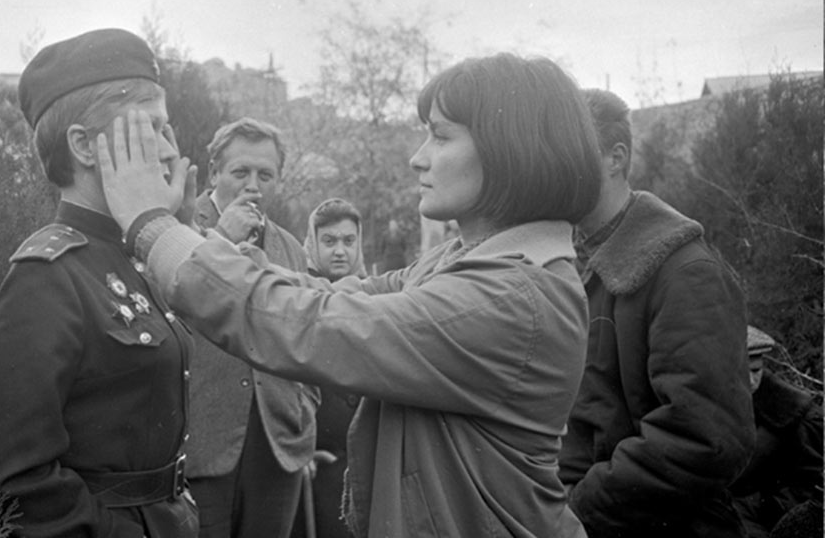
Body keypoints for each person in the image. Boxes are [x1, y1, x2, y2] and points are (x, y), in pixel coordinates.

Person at [99, 53, 605, 537]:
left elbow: (316, 325)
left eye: (439, 136)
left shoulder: (507, 296)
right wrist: (194, 235)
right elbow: (326, 294)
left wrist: (152, 226)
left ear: (508, 151)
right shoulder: (469, 263)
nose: (417, 158)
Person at [0, 29, 198, 537]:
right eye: (150, 129)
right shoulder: (48, 275)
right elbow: (11, 476)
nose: (167, 150)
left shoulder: (137, 254)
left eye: (167, 130)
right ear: (83, 146)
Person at [558, 88, 755, 538]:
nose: (554, 169)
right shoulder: (578, 265)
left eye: (569, 153)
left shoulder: (686, 272)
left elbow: (707, 438)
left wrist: (576, 508)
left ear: (616, 159)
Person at [186, 117, 319, 538]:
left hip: (277, 448)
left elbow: (311, 337)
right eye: (240, 172)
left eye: (266, 175)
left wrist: (304, 411)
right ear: (214, 174)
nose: (253, 185)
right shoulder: (180, 230)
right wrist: (220, 239)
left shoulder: (291, 249)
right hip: (199, 445)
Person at [292, 198, 366, 538]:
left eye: (348, 241)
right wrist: (299, 446)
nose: (340, 251)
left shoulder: (374, 296)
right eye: (330, 241)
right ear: (313, 244)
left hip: (362, 459)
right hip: (316, 461)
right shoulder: (297, 299)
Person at [731, 326, 823, 538]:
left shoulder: (799, 419)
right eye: (740, 372)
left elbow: (812, 494)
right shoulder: (709, 405)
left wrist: (754, 506)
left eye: (756, 370)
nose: (751, 381)